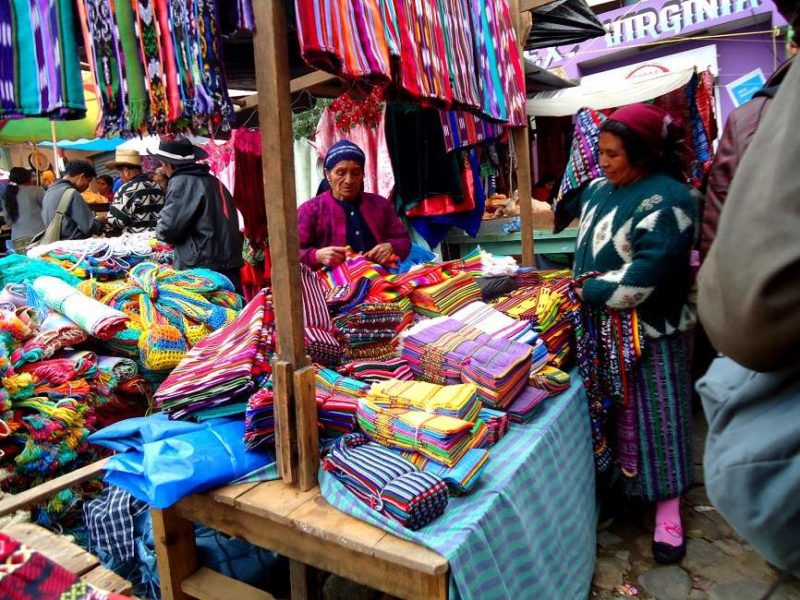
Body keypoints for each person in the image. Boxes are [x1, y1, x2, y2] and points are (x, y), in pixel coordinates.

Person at [571, 104, 697, 564]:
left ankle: (668, 510)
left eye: (612, 154)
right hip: (602, 328)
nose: (602, 162)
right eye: (601, 152)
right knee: (611, 413)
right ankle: (625, 489)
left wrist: (588, 289)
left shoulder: (672, 198)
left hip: (651, 330)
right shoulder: (599, 191)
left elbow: (648, 276)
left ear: (641, 154)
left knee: (660, 417)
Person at [298, 140, 411, 268]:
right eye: (340, 173)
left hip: (379, 278)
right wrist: (316, 255)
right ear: (328, 174)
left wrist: (391, 247)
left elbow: (404, 241)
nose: (349, 180)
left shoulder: (380, 205)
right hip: (331, 284)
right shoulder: (309, 210)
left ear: (363, 174)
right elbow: (292, 252)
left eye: (356, 173)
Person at [153, 138, 243, 291]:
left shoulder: (182, 182)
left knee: (210, 312)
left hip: (203, 269)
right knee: (233, 310)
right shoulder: (212, 181)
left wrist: (160, 228)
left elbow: (168, 229)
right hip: (228, 263)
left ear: (169, 164)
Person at [105, 148, 165, 234]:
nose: (120, 177)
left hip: (136, 242)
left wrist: (104, 219)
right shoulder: (157, 186)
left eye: (120, 173)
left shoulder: (127, 189)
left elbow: (117, 221)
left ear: (126, 171)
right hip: (158, 239)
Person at [41, 160, 102, 241]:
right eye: (88, 181)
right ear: (82, 177)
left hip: (54, 245)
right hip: (72, 245)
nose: (87, 186)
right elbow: (89, 227)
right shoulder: (72, 193)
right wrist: (100, 221)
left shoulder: (49, 192)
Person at [2, 167, 44, 252]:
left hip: (17, 239)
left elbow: (8, 222)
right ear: (28, 177)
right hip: (38, 236)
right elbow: (48, 211)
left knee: (26, 264)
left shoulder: (7, 196)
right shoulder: (37, 190)